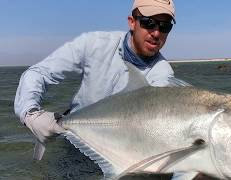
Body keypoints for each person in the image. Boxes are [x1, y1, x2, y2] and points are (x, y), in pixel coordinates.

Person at [14, 0, 198, 179]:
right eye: (148, 23)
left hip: (121, 152)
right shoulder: (94, 44)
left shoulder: (163, 75)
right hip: (74, 142)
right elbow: (38, 73)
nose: (156, 33)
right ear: (132, 22)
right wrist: (30, 114)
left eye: (165, 26)